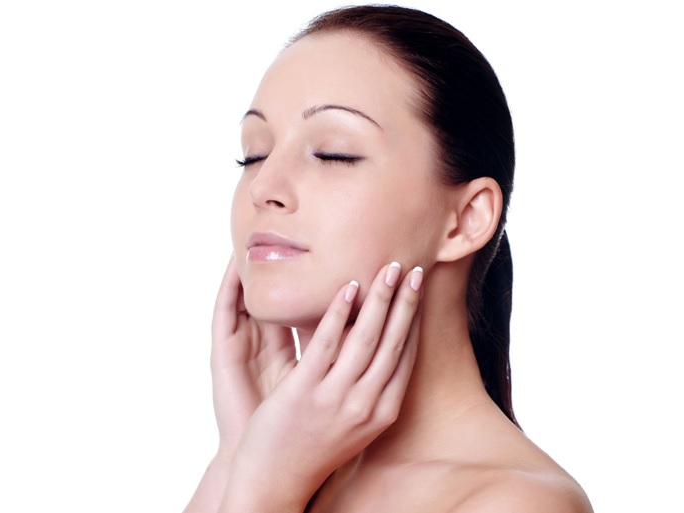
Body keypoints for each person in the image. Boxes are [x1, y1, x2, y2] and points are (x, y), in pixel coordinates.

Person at [184, 5, 593, 512]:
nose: (263, 187)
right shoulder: (267, 464)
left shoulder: (516, 502)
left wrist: (265, 486)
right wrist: (238, 454)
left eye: (334, 153)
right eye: (254, 154)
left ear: (467, 218)